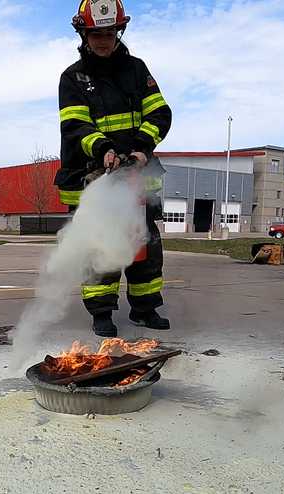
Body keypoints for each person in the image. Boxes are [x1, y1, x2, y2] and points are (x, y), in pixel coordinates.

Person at [55, 0, 172, 338]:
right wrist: (104, 150)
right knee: (100, 246)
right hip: (96, 176)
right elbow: (75, 126)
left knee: (145, 244)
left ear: (119, 31)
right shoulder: (73, 78)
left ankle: (145, 309)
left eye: (109, 32)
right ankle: (102, 312)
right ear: (84, 34)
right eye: (96, 34)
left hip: (138, 173)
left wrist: (140, 149)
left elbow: (160, 113)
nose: (103, 40)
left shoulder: (136, 69)